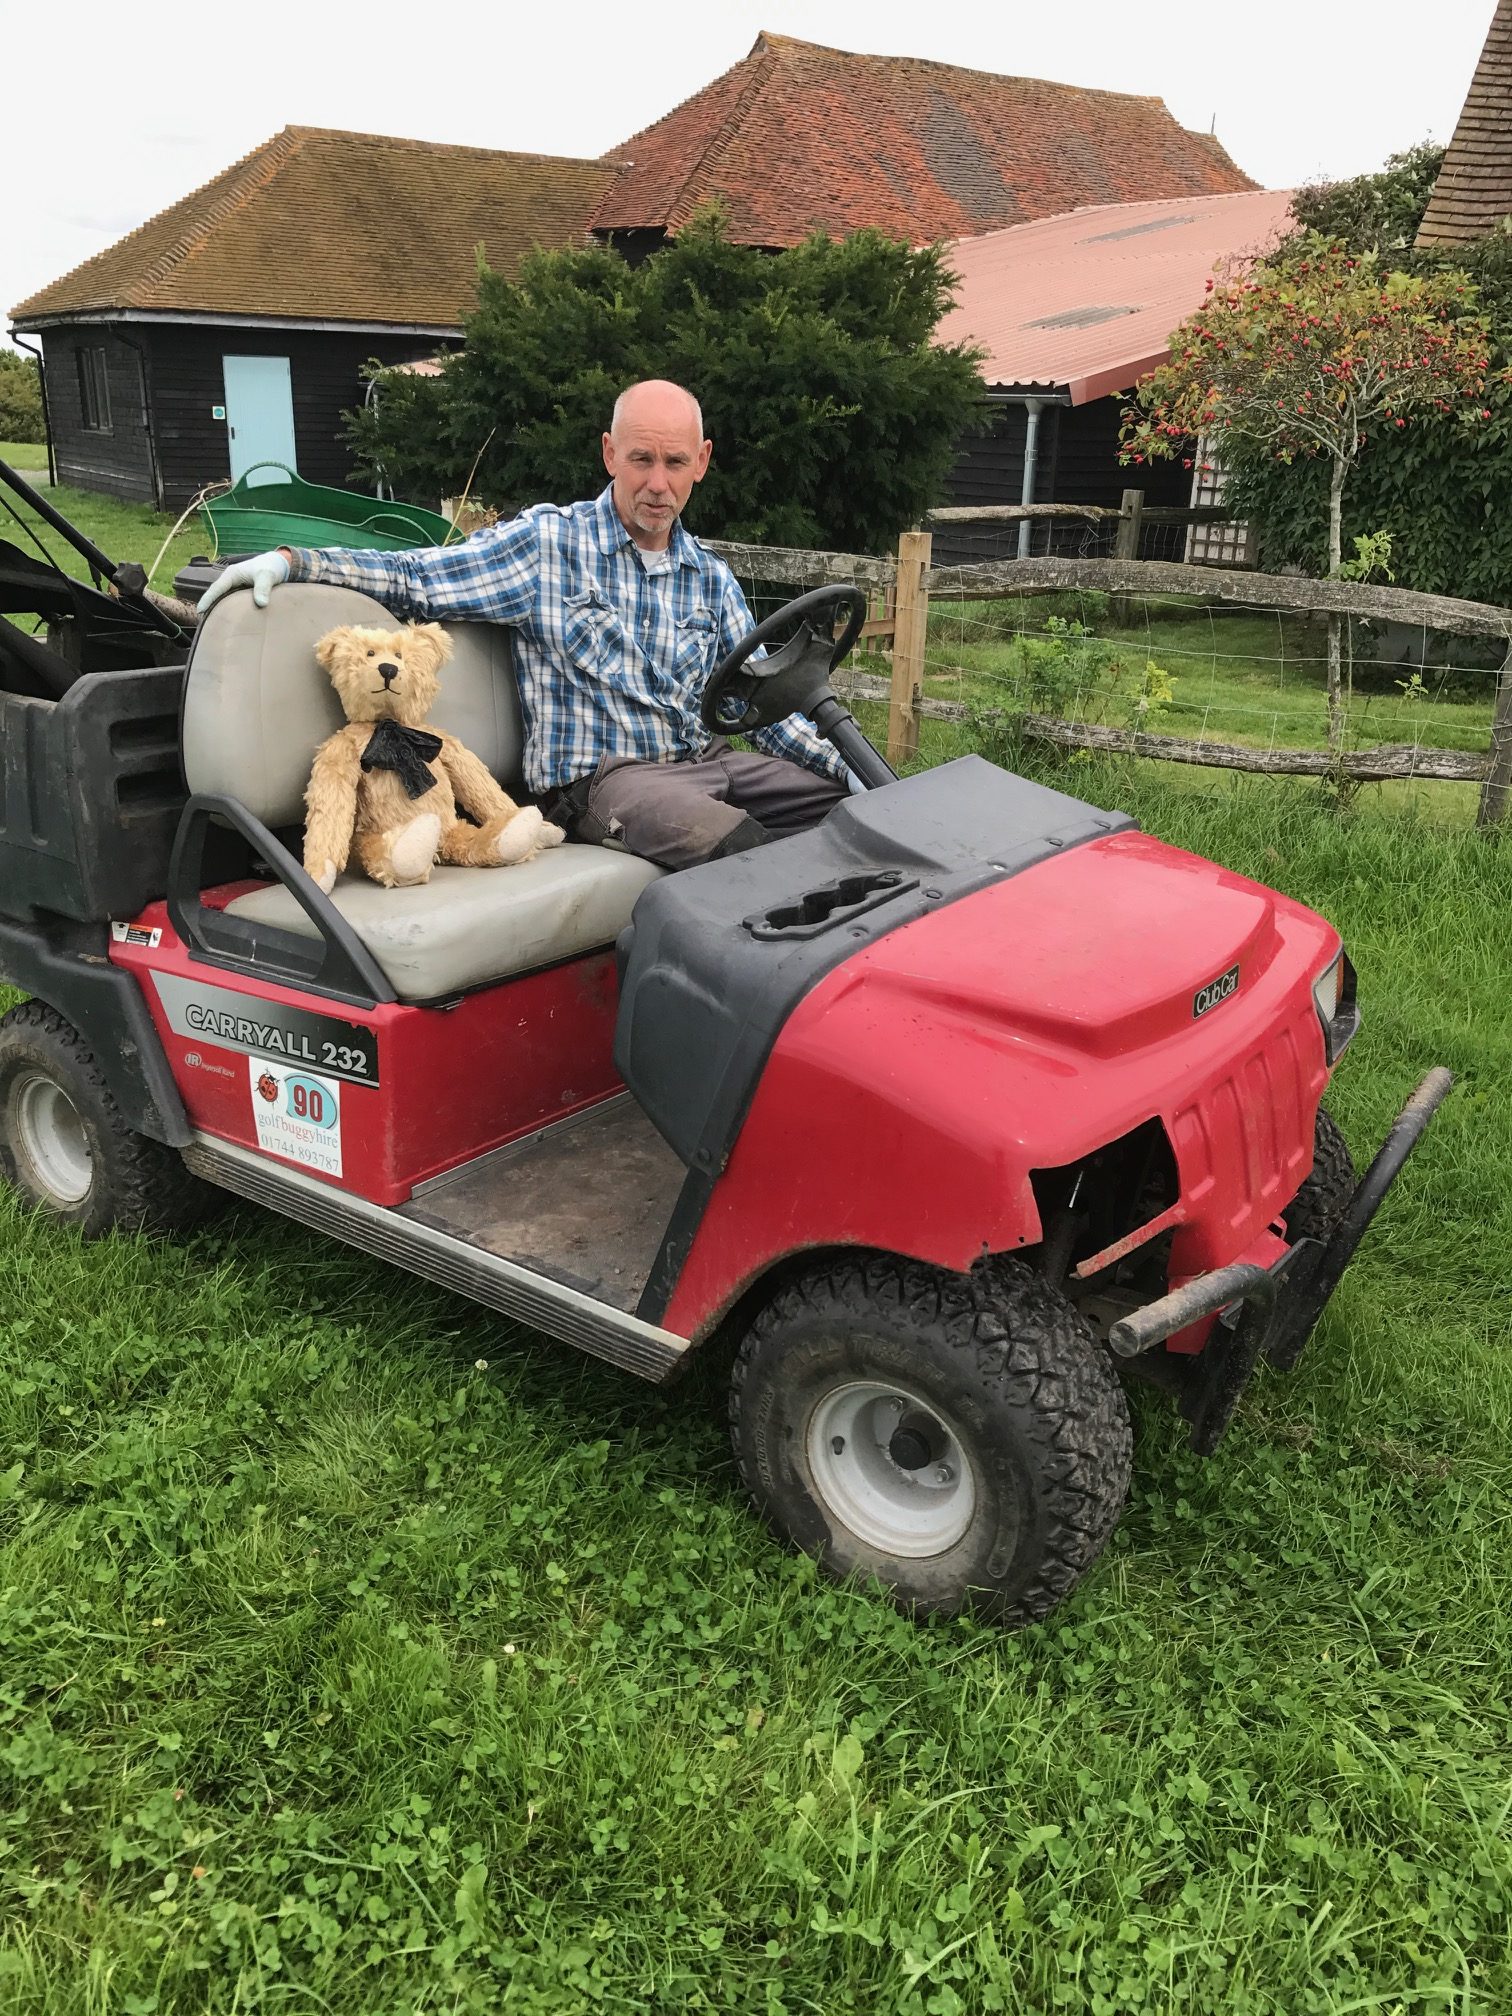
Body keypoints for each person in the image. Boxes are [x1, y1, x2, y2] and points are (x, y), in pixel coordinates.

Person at [197, 380, 855, 870]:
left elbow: (762, 701)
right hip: (606, 780)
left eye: (675, 463)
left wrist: (850, 767)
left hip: (708, 761)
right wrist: (295, 560)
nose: (658, 483)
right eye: (641, 460)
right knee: (741, 850)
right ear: (609, 454)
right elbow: (421, 576)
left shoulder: (708, 577)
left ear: (702, 461)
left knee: (856, 814)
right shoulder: (546, 546)